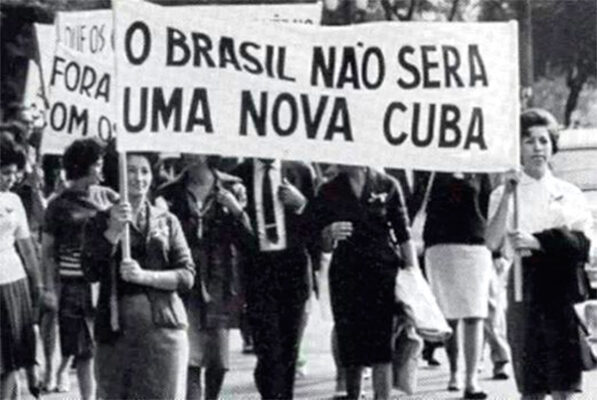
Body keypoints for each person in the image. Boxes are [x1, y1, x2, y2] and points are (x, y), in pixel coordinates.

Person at [486, 109, 593, 400]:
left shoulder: (568, 192)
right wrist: (508, 194)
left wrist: (538, 241)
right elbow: (492, 242)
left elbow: (582, 244)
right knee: (532, 387)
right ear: (517, 147)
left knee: (564, 386)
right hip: (525, 287)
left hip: (562, 289)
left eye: (543, 141)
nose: (537, 148)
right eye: (529, 141)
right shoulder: (503, 194)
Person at [81, 152, 196, 399]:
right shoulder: (100, 221)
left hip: (164, 327)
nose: (138, 177)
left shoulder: (167, 220)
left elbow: (187, 276)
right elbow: (90, 271)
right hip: (115, 331)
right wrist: (112, 232)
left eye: (144, 171)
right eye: (131, 170)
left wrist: (145, 276)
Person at [309, 165, 418, 400]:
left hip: (382, 272)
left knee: (382, 346)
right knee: (351, 347)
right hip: (346, 273)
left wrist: (413, 275)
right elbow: (318, 239)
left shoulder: (387, 184)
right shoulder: (328, 189)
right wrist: (328, 233)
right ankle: (353, 394)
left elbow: (403, 233)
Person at [157, 154, 253, 400]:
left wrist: (237, 210)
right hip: (185, 280)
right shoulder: (169, 192)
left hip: (220, 280)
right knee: (190, 357)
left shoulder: (232, 187)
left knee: (218, 360)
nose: (189, 155)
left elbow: (249, 240)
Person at [232, 158, 315, 400]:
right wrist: (236, 210)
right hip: (258, 271)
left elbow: (317, 224)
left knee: (289, 350)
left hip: (293, 270)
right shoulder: (239, 175)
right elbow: (232, 232)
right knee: (268, 350)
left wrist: (302, 205)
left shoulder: (300, 171)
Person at [41, 138, 117, 400]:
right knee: (84, 350)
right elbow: (47, 251)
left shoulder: (108, 196)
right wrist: (49, 289)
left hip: (106, 282)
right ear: (85, 166)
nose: (101, 168)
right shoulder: (58, 205)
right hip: (74, 284)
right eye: (98, 163)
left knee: (105, 347)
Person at [423, 171, 493, 399]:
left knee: (475, 314)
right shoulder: (432, 168)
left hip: (475, 245)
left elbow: (488, 208)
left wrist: (497, 250)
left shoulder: (481, 170)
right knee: (449, 315)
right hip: (440, 245)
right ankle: (454, 371)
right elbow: (419, 201)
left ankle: (471, 380)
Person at [0, 137, 42, 399]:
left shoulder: (14, 201)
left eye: (14, 173)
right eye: (5, 173)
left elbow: (26, 246)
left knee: (11, 358)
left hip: (14, 282)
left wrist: (37, 283)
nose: (11, 179)